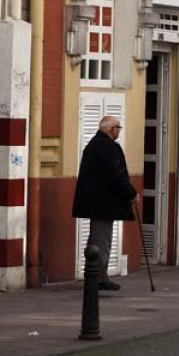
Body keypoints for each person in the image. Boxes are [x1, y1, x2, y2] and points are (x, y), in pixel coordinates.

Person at [72, 116, 138, 291]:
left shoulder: (95, 145)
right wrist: (131, 192)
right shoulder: (107, 147)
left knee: (97, 238)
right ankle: (98, 277)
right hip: (103, 204)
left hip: (97, 202)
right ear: (110, 129)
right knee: (101, 239)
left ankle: (93, 274)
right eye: (118, 128)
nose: (119, 131)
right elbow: (115, 175)